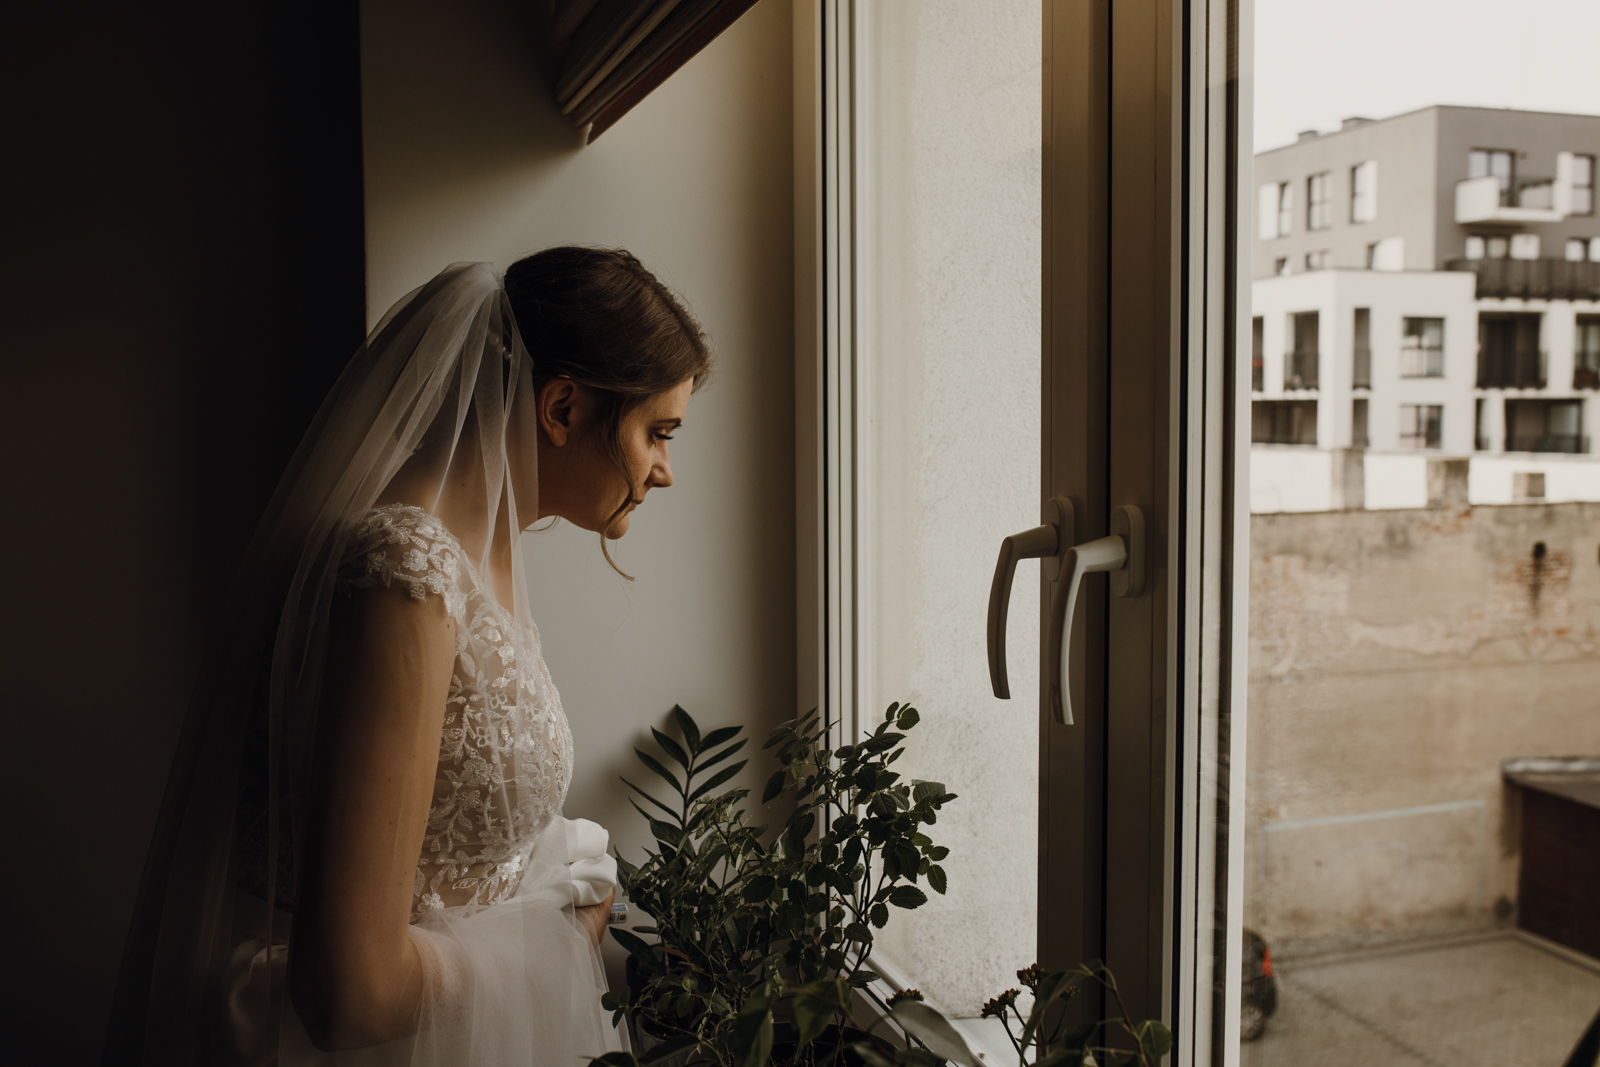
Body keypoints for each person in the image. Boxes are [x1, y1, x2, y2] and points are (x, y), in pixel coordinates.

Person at [104, 249, 712, 1066]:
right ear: (562, 406)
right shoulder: (405, 572)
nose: (664, 471)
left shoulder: (481, 551)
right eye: (657, 433)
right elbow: (349, 992)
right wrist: (555, 945)